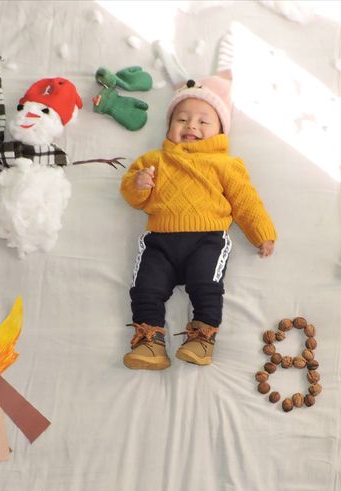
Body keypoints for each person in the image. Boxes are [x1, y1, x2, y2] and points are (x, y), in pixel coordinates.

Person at [120, 71, 277, 370]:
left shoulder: (226, 164)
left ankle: (202, 338)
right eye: (181, 119)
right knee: (145, 288)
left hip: (207, 239)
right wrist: (139, 184)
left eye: (203, 121)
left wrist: (261, 233)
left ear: (220, 131)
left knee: (206, 285)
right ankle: (149, 342)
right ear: (169, 127)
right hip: (159, 240)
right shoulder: (154, 160)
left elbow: (245, 201)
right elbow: (132, 196)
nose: (191, 125)